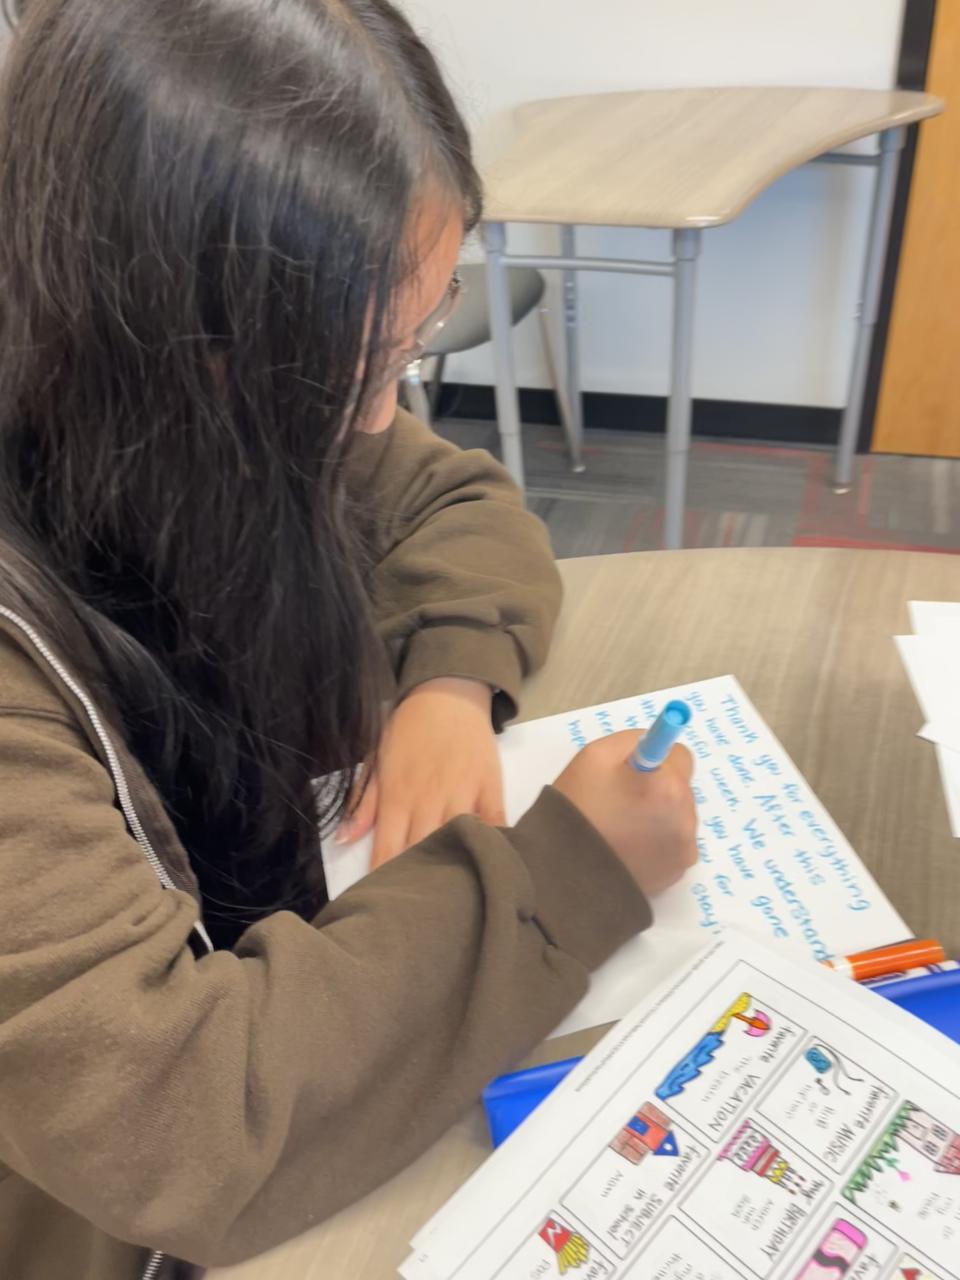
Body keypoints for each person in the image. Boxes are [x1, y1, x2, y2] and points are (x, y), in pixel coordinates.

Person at [0, 2, 699, 1278]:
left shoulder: (207, 400)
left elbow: (454, 497)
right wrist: (569, 873)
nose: (380, 417)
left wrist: (450, 680)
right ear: (163, 332)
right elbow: (175, 1119)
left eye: (412, 347)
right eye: (360, 364)